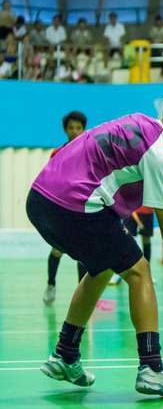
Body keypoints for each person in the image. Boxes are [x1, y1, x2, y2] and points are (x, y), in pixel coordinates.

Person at [26, 78, 163, 397]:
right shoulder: (158, 155)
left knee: (102, 267)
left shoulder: (140, 124)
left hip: (40, 200)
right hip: (74, 203)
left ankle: (65, 353)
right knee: (139, 270)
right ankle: (152, 368)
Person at [43, 111, 89, 305]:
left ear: (83, 129)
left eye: (78, 128)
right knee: (57, 250)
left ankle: (82, 294)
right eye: (71, 128)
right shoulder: (57, 153)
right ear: (65, 130)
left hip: (83, 209)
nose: (74, 131)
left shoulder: (90, 152)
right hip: (62, 209)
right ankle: (51, 284)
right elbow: (50, 181)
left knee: (83, 254)